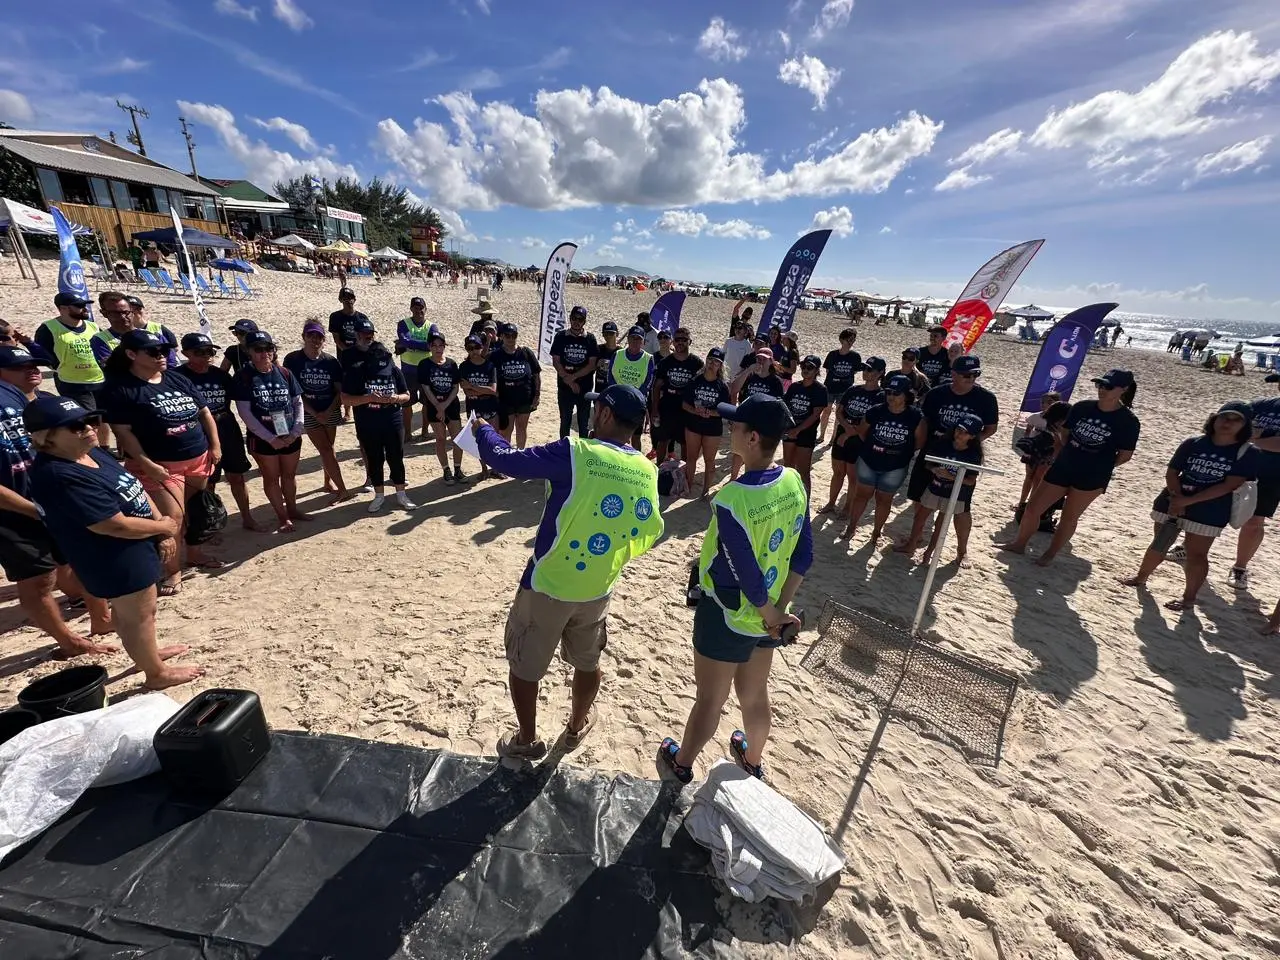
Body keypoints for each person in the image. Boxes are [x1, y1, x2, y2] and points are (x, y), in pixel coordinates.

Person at [471, 384, 663, 760]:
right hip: (598, 587)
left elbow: (507, 460)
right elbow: (650, 529)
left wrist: (483, 430)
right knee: (588, 661)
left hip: (548, 583)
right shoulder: (646, 469)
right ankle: (575, 727)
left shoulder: (575, 452)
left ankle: (527, 740)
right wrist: (612, 557)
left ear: (605, 414)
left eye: (597, 409)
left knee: (526, 663)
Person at [658, 394, 810, 784]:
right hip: (771, 614)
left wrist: (768, 610)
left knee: (711, 697)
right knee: (755, 694)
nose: (731, 431)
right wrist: (779, 609)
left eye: (737, 426)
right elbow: (803, 554)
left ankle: (682, 763)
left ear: (753, 437)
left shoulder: (732, 498)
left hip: (729, 613)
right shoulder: (794, 481)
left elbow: (743, 570)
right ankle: (752, 758)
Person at [25, 395, 205, 689]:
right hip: (111, 555)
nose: (87, 428)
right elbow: (112, 524)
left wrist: (160, 529)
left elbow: (134, 487)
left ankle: (147, 655)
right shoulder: (59, 474)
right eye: (74, 426)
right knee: (137, 614)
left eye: (89, 421)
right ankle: (155, 673)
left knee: (138, 612)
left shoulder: (92, 453)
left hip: (136, 542)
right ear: (47, 438)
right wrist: (162, 527)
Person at [0, 346, 114, 656]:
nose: (33, 370)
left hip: (57, 499)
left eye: (36, 365)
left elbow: (81, 447)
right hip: (12, 512)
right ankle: (69, 640)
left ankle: (102, 619)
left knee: (82, 558)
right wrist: (34, 510)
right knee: (38, 580)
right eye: (20, 367)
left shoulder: (48, 402)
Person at [102, 329, 223, 593]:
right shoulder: (120, 389)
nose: (162, 356)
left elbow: (204, 412)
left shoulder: (176, 379)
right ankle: (173, 572)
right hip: (160, 465)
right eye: (154, 352)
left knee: (196, 509)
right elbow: (122, 432)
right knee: (172, 519)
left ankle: (194, 553)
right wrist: (146, 463)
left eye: (165, 351)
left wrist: (214, 445)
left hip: (198, 457)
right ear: (132, 354)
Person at [1121, 402, 1260, 612]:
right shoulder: (1193, 443)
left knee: (1197, 554)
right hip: (1174, 500)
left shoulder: (1246, 452)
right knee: (1160, 543)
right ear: (1215, 418)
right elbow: (1172, 472)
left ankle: (1188, 598)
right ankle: (1140, 578)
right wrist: (1177, 499)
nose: (1228, 423)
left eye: (1236, 420)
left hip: (1210, 510)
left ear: (1245, 425)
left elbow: (1230, 484)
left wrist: (1187, 501)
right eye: (1225, 417)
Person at [1000, 369, 1140, 565]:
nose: (1102, 389)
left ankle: (1049, 555)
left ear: (1123, 389)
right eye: (1099, 384)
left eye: (1108, 386)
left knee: (1069, 517)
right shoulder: (1083, 407)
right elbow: (1064, 433)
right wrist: (1070, 452)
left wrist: (1101, 465)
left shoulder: (1128, 421)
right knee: (1033, 508)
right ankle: (1019, 544)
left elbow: (1125, 455)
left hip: (1092, 476)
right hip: (1064, 465)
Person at [177, 332, 259, 531]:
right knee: (206, 482)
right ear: (186, 353)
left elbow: (241, 397)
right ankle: (207, 525)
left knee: (237, 477)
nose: (206, 356)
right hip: (199, 432)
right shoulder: (178, 377)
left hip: (227, 427)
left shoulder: (220, 375)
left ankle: (247, 518)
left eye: (210, 352)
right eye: (200, 352)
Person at [232, 330, 308, 532]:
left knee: (290, 475)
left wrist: (297, 429)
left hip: (289, 433)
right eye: (258, 349)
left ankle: (292, 509)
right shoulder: (244, 376)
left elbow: (297, 402)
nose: (264, 353)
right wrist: (270, 438)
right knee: (271, 477)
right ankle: (282, 516)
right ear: (249, 351)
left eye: (268, 348)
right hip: (263, 437)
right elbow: (245, 412)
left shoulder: (284, 373)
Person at [841, 374, 926, 543]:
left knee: (884, 500)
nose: (891, 397)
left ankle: (876, 532)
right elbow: (862, 432)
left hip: (895, 466)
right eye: (888, 392)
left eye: (896, 393)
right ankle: (852, 527)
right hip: (869, 461)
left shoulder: (916, 416)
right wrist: (877, 447)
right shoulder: (876, 410)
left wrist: (896, 451)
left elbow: (919, 442)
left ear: (906, 395)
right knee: (861, 495)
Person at [906, 355, 999, 505]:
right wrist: (919, 446)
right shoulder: (937, 394)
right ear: (953, 373)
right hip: (933, 450)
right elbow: (924, 422)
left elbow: (991, 428)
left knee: (954, 505)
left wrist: (967, 443)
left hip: (962, 456)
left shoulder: (986, 398)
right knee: (919, 498)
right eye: (966, 374)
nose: (971, 378)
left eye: (976, 374)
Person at [894, 413, 985, 566]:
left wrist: (951, 477)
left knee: (940, 524)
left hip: (954, 493)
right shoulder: (943, 443)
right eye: (958, 429)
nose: (959, 434)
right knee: (919, 517)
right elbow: (928, 463)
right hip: (935, 487)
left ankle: (929, 553)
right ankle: (911, 545)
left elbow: (970, 481)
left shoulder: (973, 454)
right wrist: (934, 470)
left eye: (965, 432)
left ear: (973, 436)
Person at [341, 332, 415, 510]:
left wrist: (395, 398)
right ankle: (379, 495)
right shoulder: (357, 370)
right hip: (368, 422)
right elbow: (345, 399)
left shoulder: (393, 369)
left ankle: (401, 495)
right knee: (375, 459)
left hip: (393, 420)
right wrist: (368, 398)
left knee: (396, 457)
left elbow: (407, 395)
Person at [282, 321, 350, 503]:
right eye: (311, 335)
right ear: (303, 337)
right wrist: (312, 411)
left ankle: (328, 482)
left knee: (329, 447)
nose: (315, 339)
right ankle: (343, 490)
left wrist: (329, 410)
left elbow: (339, 390)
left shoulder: (330, 361)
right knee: (326, 449)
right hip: (307, 412)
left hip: (330, 410)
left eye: (319, 336)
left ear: (324, 339)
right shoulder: (293, 360)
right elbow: (293, 391)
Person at [1227, 372, 1280, 590]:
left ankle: (1240, 568)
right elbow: (1228, 427)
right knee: (1212, 510)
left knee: (1254, 522)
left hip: (1272, 476)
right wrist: (1257, 438)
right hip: (1239, 467)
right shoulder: (1261, 404)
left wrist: (1251, 438)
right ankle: (1189, 548)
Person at [34, 292, 109, 446]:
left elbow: (103, 348)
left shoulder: (93, 326)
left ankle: (105, 449)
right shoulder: (49, 328)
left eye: (85, 305)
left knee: (104, 417)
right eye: (79, 306)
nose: (85, 308)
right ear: (63, 308)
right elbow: (42, 353)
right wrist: (57, 365)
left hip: (99, 379)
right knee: (88, 420)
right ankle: (92, 451)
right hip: (72, 382)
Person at [818, 357, 885, 516]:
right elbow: (839, 411)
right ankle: (831, 503)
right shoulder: (853, 390)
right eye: (864, 369)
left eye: (870, 369)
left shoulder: (881, 396)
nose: (866, 372)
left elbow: (873, 422)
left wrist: (850, 433)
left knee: (852, 477)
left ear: (880, 373)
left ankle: (847, 507)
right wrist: (847, 429)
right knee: (838, 472)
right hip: (843, 433)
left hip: (860, 439)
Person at [417, 329, 467, 485]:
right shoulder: (424, 364)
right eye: (435, 346)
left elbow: (455, 387)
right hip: (433, 405)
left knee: (457, 438)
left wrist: (444, 405)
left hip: (451, 404)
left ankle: (458, 469)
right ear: (430, 347)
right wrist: (438, 407)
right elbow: (426, 388)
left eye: (441, 345)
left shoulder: (451, 364)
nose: (438, 349)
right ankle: (446, 470)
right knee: (440, 439)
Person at [682, 347, 731, 497]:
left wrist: (711, 413)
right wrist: (694, 411)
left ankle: (706, 490)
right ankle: (688, 487)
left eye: (716, 362)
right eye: (710, 360)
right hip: (693, 425)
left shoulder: (722, 386)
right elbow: (685, 404)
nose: (712, 364)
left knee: (710, 461)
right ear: (706, 360)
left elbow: (724, 410)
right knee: (691, 458)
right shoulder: (695, 380)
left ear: (720, 366)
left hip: (712, 428)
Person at [652, 327, 702, 463]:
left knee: (685, 442)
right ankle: (659, 468)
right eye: (677, 339)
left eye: (684, 340)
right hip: (667, 404)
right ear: (673, 342)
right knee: (662, 440)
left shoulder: (696, 363)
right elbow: (656, 387)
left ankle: (684, 471)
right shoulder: (666, 362)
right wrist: (655, 409)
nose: (680, 342)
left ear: (689, 342)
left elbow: (701, 387)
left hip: (686, 407)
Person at [781, 355, 829, 493]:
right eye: (804, 367)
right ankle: (787, 495)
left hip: (806, 433)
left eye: (810, 367)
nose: (806, 370)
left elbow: (815, 415)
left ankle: (805, 501)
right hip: (790, 430)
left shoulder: (820, 389)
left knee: (803, 471)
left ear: (817, 371)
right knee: (788, 467)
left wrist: (798, 430)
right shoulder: (795, 386)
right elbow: (786, 407)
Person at [551, 305, 599, 439]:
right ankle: (564, 452)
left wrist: (573, 377)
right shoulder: (561, 336)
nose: (577, 322)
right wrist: (569, 381)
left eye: (580, 319)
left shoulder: (590, 338)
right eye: (574, 318)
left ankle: (582, 453)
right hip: (564, 387)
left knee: (583, 424)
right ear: (570, 319)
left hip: (584, 387)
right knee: (565, 421)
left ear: (584, 321)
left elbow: (591, 365)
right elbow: (556, 361)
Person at [492, 322, 541, 449]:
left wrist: (537, 395)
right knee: (506, 430)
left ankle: (520, 454)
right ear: (501, 336)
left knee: (522, 428)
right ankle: (506, 457)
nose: (510, 338)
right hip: (505, 398)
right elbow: (487, 371)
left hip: (524, 397)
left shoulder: (525, 352)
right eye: (507, 335)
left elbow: (536, 374)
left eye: (513, 335)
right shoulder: (496, 355)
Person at [459, 334, 501, 480]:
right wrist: (480, 389)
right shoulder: (464, 366)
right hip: (474, 408)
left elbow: (493, 390)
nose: (474, 351)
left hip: (490, 406)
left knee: (494, 438)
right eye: (470, 348)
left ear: (481, 347)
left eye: (476, 347)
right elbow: (465, 390)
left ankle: (495, 468)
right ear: (466, 349)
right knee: (479, 440)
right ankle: (484, 469)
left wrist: (472, 386)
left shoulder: (489, 366)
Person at [607, 325, 655, 449]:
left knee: (636, 436)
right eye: (632, 338)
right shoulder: (618, 354)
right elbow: (611, 377)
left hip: (636, 403)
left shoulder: (648, 359)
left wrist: (634, 397)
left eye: (638, 339)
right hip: (617, 401)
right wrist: (620, 395)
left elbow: (647, 383)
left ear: (643, 342)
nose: (635, 341)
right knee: (615, 434)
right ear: (627, 339)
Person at [1014, 391, 1062, 514]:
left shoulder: (1059, 422)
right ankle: (1021, 503)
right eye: (1043, 402)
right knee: (1028, 477)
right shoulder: (1035, 417)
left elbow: (1060, 440)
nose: (1044, 405)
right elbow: (1028, 431)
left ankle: (1031, 504)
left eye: (1049, 402)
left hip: (1047, 453)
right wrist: (1029, 443)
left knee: (1038, 478)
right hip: (1032, 451)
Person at [395, 296, 433, 443]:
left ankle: (424, 431)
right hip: (408, 370)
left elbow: (430, 345)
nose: (418, 311)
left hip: (426, 370)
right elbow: (404, 340)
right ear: (411, 309)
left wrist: (410, 344)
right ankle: (408, 433)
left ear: (425, 309)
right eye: (416, 308)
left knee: (427, 403)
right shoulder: (404, 323)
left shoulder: (431, 326)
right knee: (407, 404)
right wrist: (421, 345)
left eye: (421, 308)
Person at [819, 328, 861, 443]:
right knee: (826, 412)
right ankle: (821, 435)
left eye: (853, 339)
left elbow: (855, 371)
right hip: (830, 387)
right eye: (849, 339)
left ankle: (833, 438)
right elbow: (827, 371)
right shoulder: (833, 354)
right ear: (842, 339)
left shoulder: (855, 356)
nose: (851, 342)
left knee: (839, 414)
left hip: (845, 389)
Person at [328, 288, 367, 355]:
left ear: (354, 300)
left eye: (350, 298)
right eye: (345, 298)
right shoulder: (335, 317)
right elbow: (337, 340)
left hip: (360, 353)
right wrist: (348, 352)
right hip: (343, 354)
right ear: (340, 300)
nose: (348, 301)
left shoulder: (362, 317)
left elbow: (366, 337)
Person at [595, 321, 620, 392]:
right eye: (606, 334)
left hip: (614, 389)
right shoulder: (598, 349)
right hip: (600, 388)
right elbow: (591, 367)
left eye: (611, 334)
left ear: (617, 334)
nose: (608, 336)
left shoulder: (621, 352)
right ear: (603, 335)